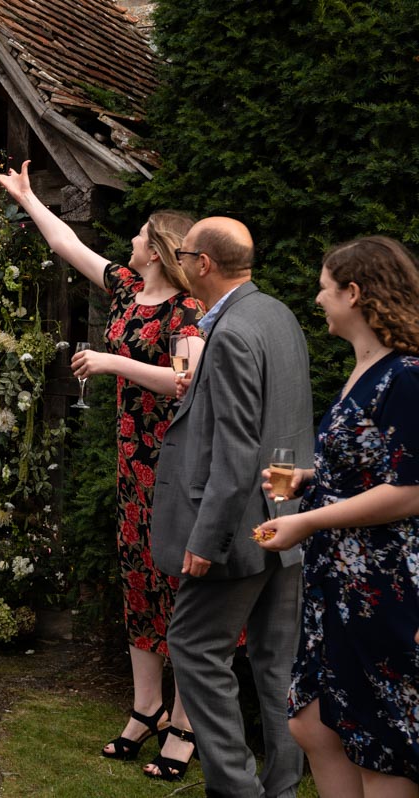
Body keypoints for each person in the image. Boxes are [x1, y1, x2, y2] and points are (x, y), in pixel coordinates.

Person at [0, 162, 202, 770]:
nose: (129, 241)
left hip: (175, 461)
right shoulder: (126, 289)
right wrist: (29, 197)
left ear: (159, 250)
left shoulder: (186, 312)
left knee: (180, 589)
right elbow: (66, 243)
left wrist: (113, 364)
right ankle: (145, 708)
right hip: (131, 461)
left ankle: (184, 723)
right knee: (139, 579)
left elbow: (184, 383)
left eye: (139, 235)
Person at [151, 216, 312, 795]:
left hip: (238, 527)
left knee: (193, 646)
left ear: (204, 264)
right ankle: (283, 788)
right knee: (276, 666)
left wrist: (206, 537)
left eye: (184, 253)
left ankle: (238, 789)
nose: (179, 260)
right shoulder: (277, 314)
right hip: (284, 522)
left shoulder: (236, 331)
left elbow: (239, 447)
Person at [255, 236, 419, 797]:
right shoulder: (364, 369)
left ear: (354, 293)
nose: (318, 300)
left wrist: (309, 521)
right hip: (338, 582)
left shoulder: (406, 376)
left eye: (325, 289)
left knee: (380, 744)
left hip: (382, 582)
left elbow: (412, 490)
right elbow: (370, 467)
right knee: (311, 722)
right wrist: (310, 483)